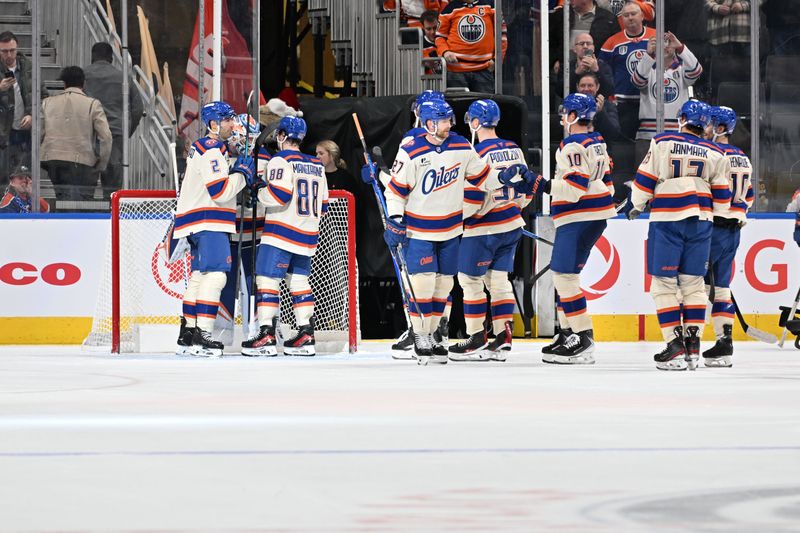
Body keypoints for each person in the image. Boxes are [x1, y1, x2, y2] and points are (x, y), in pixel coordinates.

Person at [375, 100, 518, 364]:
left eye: (450, 119)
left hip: (451, 230)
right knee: (423, 282)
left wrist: (503, 177)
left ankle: (433, 335)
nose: (450, 125)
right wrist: (396, 220)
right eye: (444, 120)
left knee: (443, 286)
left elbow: (483, 178)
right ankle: (420, 335)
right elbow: (395, 191)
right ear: (429, 123)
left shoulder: (462, 146)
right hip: (420, 231)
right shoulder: (411, 150)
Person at [506, 93, 616, 363]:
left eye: (566, 111)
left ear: (574, 116)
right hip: (594, 216)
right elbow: (609, 181)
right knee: (568, 276)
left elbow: (574, 189)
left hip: (578, 217)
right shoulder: (597, 140)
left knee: (563, 276)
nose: (562, 116)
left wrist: (538, 184)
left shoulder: (572, 145)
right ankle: (568, 332)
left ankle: (582, 336)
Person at [628, 100, 731, 371]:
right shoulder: (716, 152)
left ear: (682, 118)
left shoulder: (662, 142)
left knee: (663, 284)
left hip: (668, 219)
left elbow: (644, 181)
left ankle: (674, 345)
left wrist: (636, 205)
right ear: (706, 124)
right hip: (702, 222)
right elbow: (723, 199)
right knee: (694, 284)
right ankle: (693, 345)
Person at [448, 99, 531, 361]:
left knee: (470, 280)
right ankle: (503, 336)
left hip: (483, 227)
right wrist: (514, 208)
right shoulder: (515, 149)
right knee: (498, 280)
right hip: (512, 222)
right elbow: (527, 187)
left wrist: (459, 219)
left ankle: (476, 338)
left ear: (474, 122)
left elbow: (473, 199)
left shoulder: (475, 153)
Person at [242, 116, 328, 357]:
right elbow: (323, 204)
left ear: (281, 136)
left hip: (281, 231)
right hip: (308, 233)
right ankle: (306, 334)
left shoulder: (281, 159)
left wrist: (259, 190)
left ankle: (266, 335)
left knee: (268, 281)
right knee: (299, 282)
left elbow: (278, 195)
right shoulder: (317, 164)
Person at [173, 101, 253, 357]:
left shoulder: (207, 148)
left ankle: (189, 332)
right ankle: (203, 335)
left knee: (199, 276)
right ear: (214, 124)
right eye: (228, 119)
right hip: (209, 222)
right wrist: (241, 173)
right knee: (216, 276)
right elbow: (220, 191)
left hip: (196, 222)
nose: (233, 124)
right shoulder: (212, 150)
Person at [702, 106, 753, 367]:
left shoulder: (713, 154)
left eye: (709, 124)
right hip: (733, 231)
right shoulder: (743, 157)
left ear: (721, 128)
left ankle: (688, 342)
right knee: (721, 288)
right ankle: (724, 343)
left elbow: (707, 191)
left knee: (693, 285)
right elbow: (750, 196)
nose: (705, 128)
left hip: (714, 229)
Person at [216, 113, 266, 347]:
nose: (248, 143)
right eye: (244, 138)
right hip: (225, 230)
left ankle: (254, 329)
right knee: (222, 281)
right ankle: (220, 331)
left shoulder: (264, 157)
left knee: (253, 281)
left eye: (252, 138)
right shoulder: (219, 154)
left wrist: (257, 189)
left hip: (254, 230)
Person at [41, 66, 112, 204]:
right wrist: (101, 163)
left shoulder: (47, 103)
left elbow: (39, 132)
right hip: (83, 161)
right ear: (84, 83)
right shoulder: (93, 104)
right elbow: (106, 137)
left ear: (64, 83)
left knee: (62, 196)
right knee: (84, 201)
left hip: (53, 159)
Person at [83, 42, 144, 200]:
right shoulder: (123, 78)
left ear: (92, 56)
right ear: (111, 58)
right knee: (112, 189)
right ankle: (110, 217)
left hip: (88, 135)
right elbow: (138, 108)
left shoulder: (83, 76)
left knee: (84, 187)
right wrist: (126, 131)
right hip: (115, 134)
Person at [631, 31, 703, 165]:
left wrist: (681, 47)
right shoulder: (647, 68)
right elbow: (637, 81)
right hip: (648, 136)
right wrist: (649, 55)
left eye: (668, 43)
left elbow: (696, 70)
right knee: (643, 180)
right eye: (660, 43)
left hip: (677, 136)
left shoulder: (681, 70)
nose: (664, 46)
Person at [599, 1, 656, 139]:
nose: (630, 18)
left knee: (651, 144)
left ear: (642, 16)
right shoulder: (611, 43)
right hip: (623, 103)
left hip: (651, 101)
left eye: (633, 14)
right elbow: (603, 73)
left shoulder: (657, 37)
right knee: (625, 144)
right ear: (621, 19)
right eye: (626, 15)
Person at [0, 31, 48, 184]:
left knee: (25, 175)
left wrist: (33, 115)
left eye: (12, 50)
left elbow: (44, 96)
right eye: (4, 51)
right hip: (3, 131)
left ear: (17, 48)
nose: (9, 55)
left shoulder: (29, 68)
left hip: (25, 131)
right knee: (3, 176)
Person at [435, 0, 507, 93]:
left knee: (484, 106)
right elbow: (439, 37)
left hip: (484, 69)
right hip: (456, 71)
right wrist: (445, 52)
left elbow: (502, 35)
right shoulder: (449, 9)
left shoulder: (491, 6)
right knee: (459, 106)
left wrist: (496, 60)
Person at [550, 0, 618, 74]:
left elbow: (614, 49)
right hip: (564, 73)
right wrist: (554, 60)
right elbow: (549, 42)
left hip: (595, 75)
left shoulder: (608, 19)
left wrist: (600, 68)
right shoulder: (560, 15)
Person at [555, 33, 615, 98]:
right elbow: (559, 91)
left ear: (593, 48)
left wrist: (597, 71)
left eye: (588, 44)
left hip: (598, 105)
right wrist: (576, 73)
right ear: (574, 49)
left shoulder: (604, 66)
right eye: (581, 44)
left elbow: (610, 90)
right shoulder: (566, 67)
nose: (585, 46)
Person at [577, 72, 623, 141]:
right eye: (583, 85)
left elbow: (614, 133)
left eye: (590, 85)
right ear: (577, 87)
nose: (586, 89)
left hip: (601, 147)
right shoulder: (571, 105)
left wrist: (600, 112)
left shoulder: (608, 105)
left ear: (597, 87)